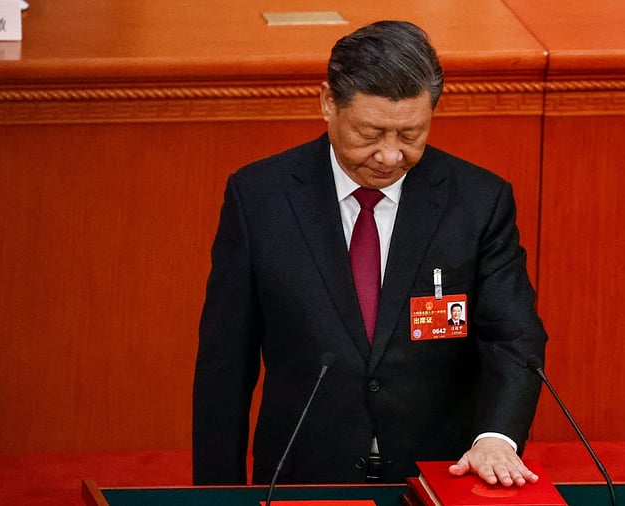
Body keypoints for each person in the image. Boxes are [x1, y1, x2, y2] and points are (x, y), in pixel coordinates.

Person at [193, 20, 548, 487]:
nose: (389, 155)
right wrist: (217, 495)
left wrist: (496, 437)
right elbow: (225, 364)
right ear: (328, 102)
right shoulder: (260, 199)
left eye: (410, 134)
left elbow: (512, 337)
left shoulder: (479, 201)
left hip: (437, 478)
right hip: (304, 481)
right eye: (371, 133)